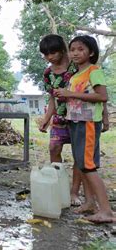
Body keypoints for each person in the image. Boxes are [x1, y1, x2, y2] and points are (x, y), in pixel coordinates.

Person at [54, 35, 113, 223]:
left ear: (91, 52)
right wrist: (65, 96)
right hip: (76, 122)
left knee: (88, 166)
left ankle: (106, 211)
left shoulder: (94, 71)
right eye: (72, 50)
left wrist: (70, 93)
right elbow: (81, 96)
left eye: (80, 49)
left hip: (87, 123)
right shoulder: (76, 75)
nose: (75, 53)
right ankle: (89, 203)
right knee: (82, 164)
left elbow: (102, 96)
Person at [38, 34, 80, 204]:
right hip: (59, 119)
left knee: (80, 155)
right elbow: (52, 99)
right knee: (54, 148)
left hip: (79, 118)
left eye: (53, 53)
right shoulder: (48, 73)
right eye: (46, 54)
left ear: (62, 50)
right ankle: (59, 186)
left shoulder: (77, 67)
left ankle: (74, 193)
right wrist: (46, 119)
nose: (50, 57)